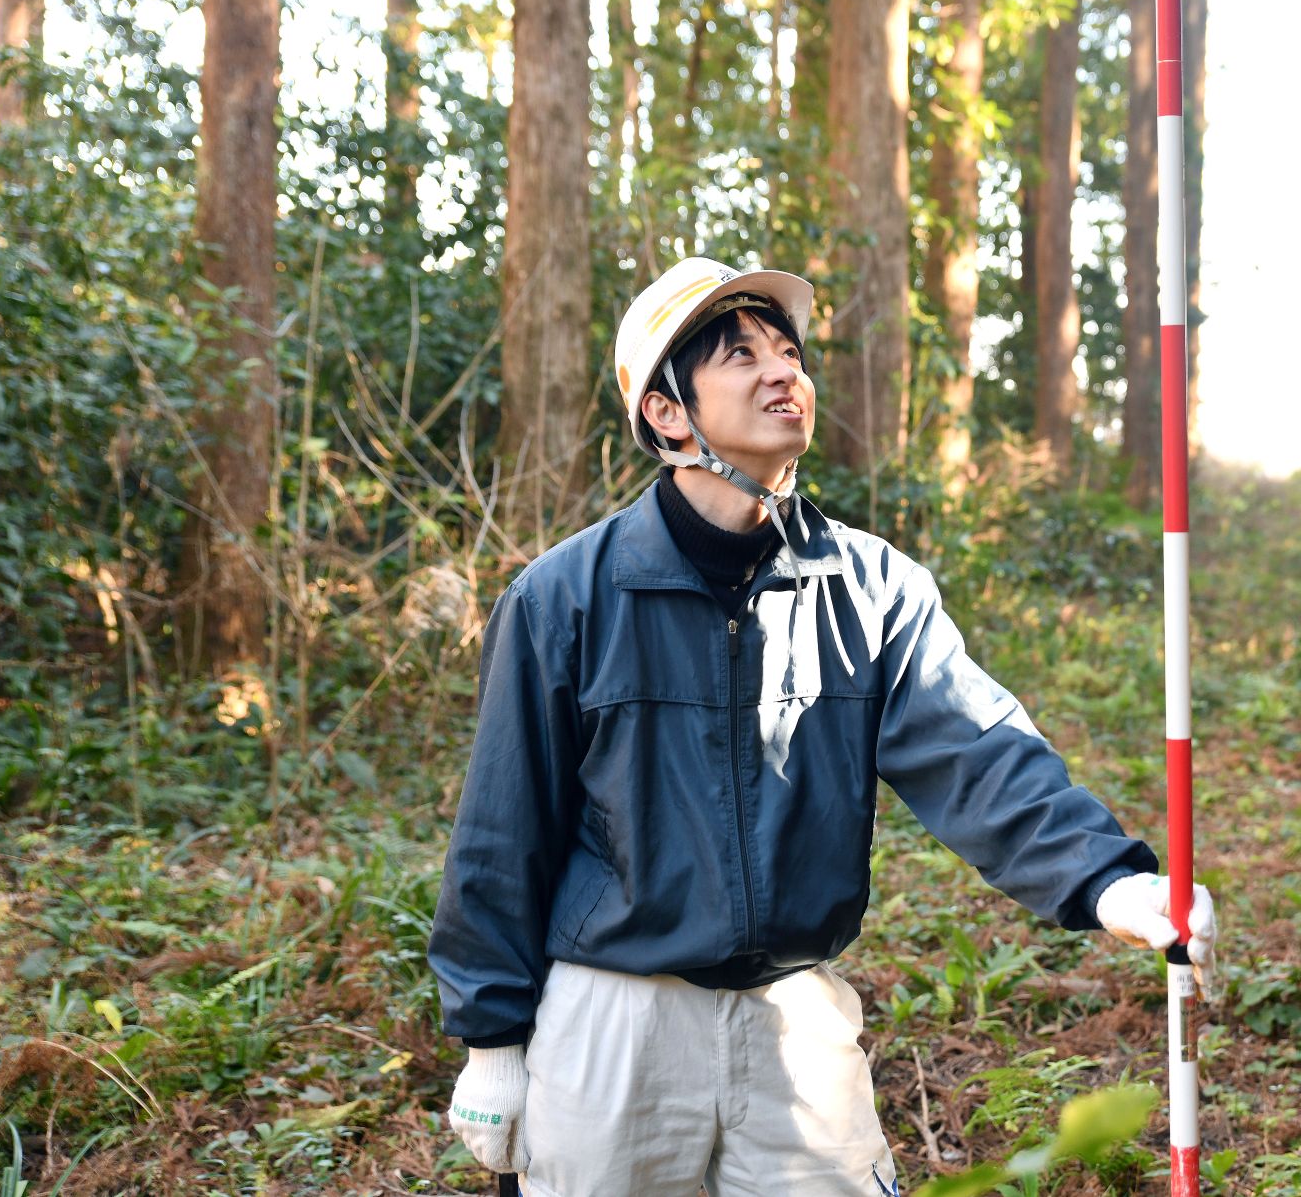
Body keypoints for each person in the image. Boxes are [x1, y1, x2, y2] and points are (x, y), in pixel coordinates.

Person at [427, 257, 1216, 1197]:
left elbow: (978, 752)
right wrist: (492, 1041)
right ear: (667, 413)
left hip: (794, 1016)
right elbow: (502, 832)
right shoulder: (566, 598)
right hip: (615, 1019)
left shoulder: (874, 589)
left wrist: (1108, 882)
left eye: (789, 351)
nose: (781, 372)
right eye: (739, 355)